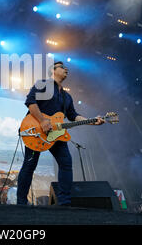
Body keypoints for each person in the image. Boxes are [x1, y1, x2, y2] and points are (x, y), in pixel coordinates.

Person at [17, 61, 105, 206]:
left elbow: (73, 115)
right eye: (62, 67)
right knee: (29, 165)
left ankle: (64, 202)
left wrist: (92, 121)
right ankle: (21, 203)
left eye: (66, 68)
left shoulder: (67, 97)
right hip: (36, 132)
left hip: (57, 134)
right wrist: (43, 121)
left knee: (66, 164)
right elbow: (31, 103)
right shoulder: (42, 85)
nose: (66, 69)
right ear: (53, 70)